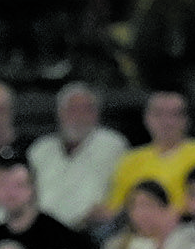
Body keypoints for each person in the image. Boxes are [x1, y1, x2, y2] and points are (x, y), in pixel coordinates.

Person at [26, 82, 127, 232]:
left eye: (86, 109)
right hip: (38, 229)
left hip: (88, 230)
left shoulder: (112, 145)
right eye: (72, 109)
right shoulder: (40, 149)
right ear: (60, 113)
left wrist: (113, 210)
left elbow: (125, 189)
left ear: (96, 114)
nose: (78, 116)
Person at [105, 91, 195, 214]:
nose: (166, 121)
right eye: (158, 114)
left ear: (186, 120)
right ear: (146, 118)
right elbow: (116, 206)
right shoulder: (130, 159)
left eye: (174, 114)